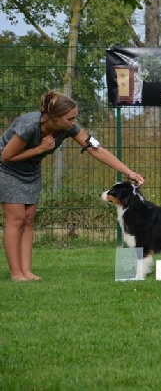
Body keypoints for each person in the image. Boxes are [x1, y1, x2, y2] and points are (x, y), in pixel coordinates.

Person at [0, 90, 145, 281]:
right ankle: (16, 273)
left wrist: (128, 172)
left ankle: (27, 271)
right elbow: (6, 156)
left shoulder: (68, 128)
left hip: (30, 171)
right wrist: (40, 149)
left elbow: (97, 149)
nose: (74, 122)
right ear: (54, 117)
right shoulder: (29, 125)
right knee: (16, 218)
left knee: (28, 219)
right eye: (70, 118)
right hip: (6, 169)